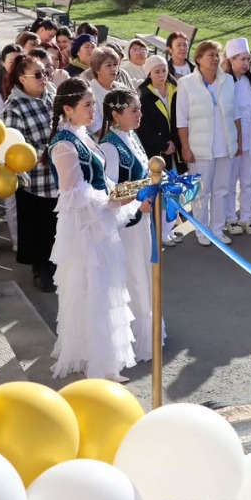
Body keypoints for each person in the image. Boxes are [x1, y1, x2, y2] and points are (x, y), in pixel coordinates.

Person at [46, 77, 142, 382]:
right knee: (92, 291)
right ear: (68, 109)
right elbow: (74, 194)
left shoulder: (81, 135)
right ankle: (98, 365)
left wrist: (129, 190)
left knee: (104, 289)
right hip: (85, 229)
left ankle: (101, 360)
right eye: (87, 105)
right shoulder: (64, 144)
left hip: (99, 223)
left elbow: (101, 180)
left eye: (93, 104)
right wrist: (117, 199)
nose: (93, 111)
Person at [98, 86, 162, 364]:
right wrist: (140, 199)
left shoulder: (131, 136)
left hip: (142, 218)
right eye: (133, 110)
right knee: (134, 276)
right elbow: (112, 191)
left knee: (144, 273)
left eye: (139, 109)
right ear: (116, 115)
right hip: (128, 224)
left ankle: (150, 329)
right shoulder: (109, 147)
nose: (139, 114)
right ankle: (134, 338)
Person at [2, 54, 58, 292]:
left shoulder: (51, 95)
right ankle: (40, 271)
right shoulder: (14, 107)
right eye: (37, 74)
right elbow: (15, 146)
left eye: (45, 72)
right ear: (22, 79)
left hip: (59, 178)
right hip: (35, 182)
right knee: (38, 230)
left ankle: (57, 267)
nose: (43, 77)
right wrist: (51, 152)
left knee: (57, 229)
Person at [176, 41, 240, 246]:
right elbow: (181, 120)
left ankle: (217, 229)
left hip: (225, 146)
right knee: (201, 192)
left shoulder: (228, 80)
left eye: (217, 55)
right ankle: (202, 230)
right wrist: (185, 148)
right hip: (199, 148)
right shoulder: (186, 83)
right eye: (210, 55)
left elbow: (235, 114)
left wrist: (237, 142)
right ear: (198, 59)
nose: (215, 59)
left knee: (222, 190)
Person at [138, 54, 184, 246]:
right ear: (149, 73)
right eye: (156, 71)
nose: (161, 75)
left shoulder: (176, 89)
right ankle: (161, 232)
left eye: (164, 70)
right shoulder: (144, 96)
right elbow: (144, 127)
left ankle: (169, 229)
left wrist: (176, 143)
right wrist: (163, 144)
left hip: (177, 150)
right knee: (160, 193)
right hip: (157, 153)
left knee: (175, 189)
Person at [222, 38, 251, 236]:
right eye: (242, 59)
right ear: (231, 60)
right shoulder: (224, 81)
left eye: (248, 59)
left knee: (248, 180)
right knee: (230, 182)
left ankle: (247, 217)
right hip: (231, 137)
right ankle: (230, 218)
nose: (246, 63)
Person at [88, 46, 124, 135]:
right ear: (97, 69)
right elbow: (96, 128)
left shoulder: (122, 88)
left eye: (115, 64)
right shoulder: (89, 92)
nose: (113, 69)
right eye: (108, 65)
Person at [0, 44, 24, 116]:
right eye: (11, 62)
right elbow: (1, 116)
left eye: (19, 61)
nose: (16, 65)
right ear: (3, 63)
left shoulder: (29, 80)